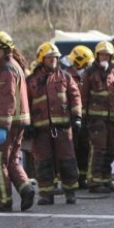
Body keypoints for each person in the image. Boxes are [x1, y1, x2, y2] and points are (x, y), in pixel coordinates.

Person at [0, 31, 35, 212]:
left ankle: (3, 201)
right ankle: (25, 188)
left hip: (6, 123)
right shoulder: (10, 66)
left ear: (6, 50)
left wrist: (3, 126)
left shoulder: (6, 69)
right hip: (15, 122)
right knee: (11, 160)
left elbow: (8, 99)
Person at [26, 42, 82, 205]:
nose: (53, 61)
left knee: (67, 160)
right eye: (49, 58)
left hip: (63, 128)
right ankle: (46, 194)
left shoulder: (65, 76)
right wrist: (27, 124)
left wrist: (77, 117)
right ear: (41, 59)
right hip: (40, 130)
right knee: (43, 162)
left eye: (55, 58)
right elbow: (25, 103)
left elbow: (75, 96)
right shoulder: (31, 80)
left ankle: (70, 192)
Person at [81, 41, 114, 194]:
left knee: (110, 151)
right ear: (97, 55)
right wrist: (83, 118)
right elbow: (83, 97)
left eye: (107, 54)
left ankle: (106, 180)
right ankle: (94, 181)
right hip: (96, 119)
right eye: (102, 54)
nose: (104, 57)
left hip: (112, 119)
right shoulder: (89, 73)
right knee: (98, 150)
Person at [64, 45, 94, 189]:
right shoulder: (67, 76)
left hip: (86, 119)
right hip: (71, 119)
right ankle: (70, 180)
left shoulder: (87, 76)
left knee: (84, 149)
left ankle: (82, 178)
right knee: (71, 150)